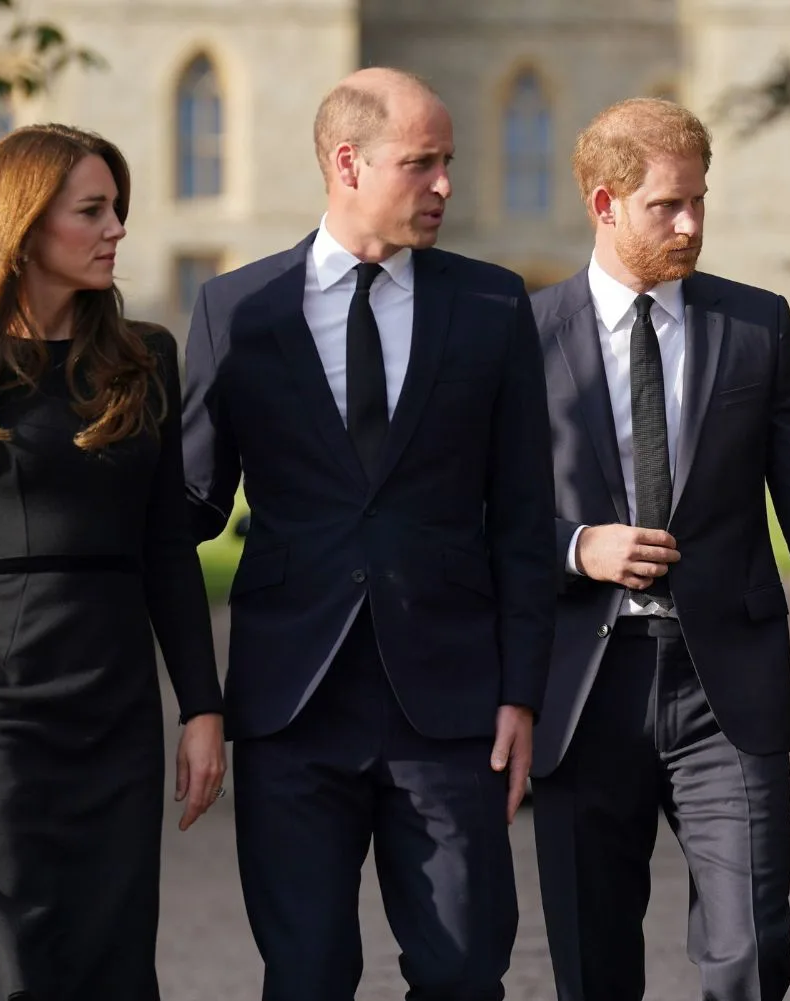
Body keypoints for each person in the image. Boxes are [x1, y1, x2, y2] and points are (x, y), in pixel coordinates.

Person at [181, 68, 555, 1000]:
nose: (445, 186)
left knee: (465, 969)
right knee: (305, 974)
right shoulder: (238, 311)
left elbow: (521, 516)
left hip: (451, 706)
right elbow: (186, 507)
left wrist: (521, 693)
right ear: (347, 163)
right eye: (421, 163)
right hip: (290, 704)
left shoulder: (493, 304)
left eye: (449, 163)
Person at [528, 97, 790, 1001]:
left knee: (752, 955)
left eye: (700, 202)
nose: (690, 225)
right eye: (666, 207)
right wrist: (576, 547)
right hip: (582, 689)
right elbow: (472, 513)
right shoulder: (521, 338)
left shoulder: (755, 327)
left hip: (724, 690)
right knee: (591, 963)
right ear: (605, 205)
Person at [0, 123, 226, 1000]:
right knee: (9, 963)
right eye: (92, 211)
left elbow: (168, 548)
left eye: (117, 207)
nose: (116, 227)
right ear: (24, 226)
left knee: (113, 963)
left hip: (117, 706)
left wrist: (201, 706)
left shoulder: (145, 358)